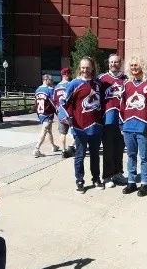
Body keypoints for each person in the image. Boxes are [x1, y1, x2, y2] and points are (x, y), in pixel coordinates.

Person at [59, 57, 104, 193]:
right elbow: (62, 102)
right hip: (80, 127)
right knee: (80, 155)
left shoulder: (97, 83)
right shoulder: (74, 83)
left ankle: (96, 178)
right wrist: (66, 117)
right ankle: (79, 180)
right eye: (83, 67)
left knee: (95, 155)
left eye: (88, 67)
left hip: (96, 126)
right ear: (80, 68)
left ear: (92, 68)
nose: (85, 70)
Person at [119, 55, 147, 197]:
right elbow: (122, 105)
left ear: (142, 65)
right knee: (131, 155)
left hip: (143, 126)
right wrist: (121, 124)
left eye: (136, 65)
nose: (133, 68)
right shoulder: (126, 84)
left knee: (143, 156)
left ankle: (145, 183)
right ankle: (131, 182)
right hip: (128, 126)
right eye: (131, 66)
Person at [99, 54, 128, 188]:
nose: (113, 64)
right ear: (108, 63)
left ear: (120, 63)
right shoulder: (102, 79)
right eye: (111, 62)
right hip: (107, 120)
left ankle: (118, 173)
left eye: (116, 62)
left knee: (120, 148)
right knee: (108, 149)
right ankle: (107, 176)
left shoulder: (126, 79)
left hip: (123, 120)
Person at [34, 74, 60, 158]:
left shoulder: (38, 89)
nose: (52, 81)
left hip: (40, 112)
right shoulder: (50, 89)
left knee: (49, 130)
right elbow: (54, 102)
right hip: (47, 113)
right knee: (45, 130)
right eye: (51, 80)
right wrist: (58, 113)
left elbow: (35, 101)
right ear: (46, 80)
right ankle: (36, 149)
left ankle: (53, 146)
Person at [54, 68, 75, 158]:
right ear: (67, 75)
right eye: (69, 74)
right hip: (70, 112)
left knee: (63, 133)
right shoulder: (70, 85)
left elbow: (54, 100)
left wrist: (58, 110)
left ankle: (63, 150)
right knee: (78, 131)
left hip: (61, 113)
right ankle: (71, 146)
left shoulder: (57, 87)